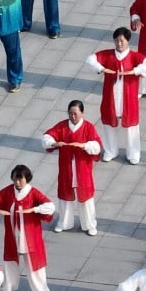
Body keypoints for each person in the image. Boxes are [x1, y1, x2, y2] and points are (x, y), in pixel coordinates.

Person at [85, 28, 146, 164]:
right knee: (108, 124)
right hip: (110, 97)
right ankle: (110, 150)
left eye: (122, 41)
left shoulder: (134, 57)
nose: (119, 44)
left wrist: (135, 71)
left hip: (128, 98)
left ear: (128, 41)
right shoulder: (108, 55)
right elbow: (90, 60)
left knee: (132, 127)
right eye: (117, 40)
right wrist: (102, 69)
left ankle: (134, 154)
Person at [0, 164, 55, 291]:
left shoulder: (33, 193)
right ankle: (7, 289)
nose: (17, 183)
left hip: (30, 237)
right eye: (15, 179)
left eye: (20, 179)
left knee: (34, 264)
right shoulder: (8, 191)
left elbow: (50, 206)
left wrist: (34, 209)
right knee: (10, 262)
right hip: (12, 235)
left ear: (27, 179)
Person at [42, 101, 102, 235]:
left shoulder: (88, 127)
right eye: (70, 113)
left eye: (75, 113)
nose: (73, 116)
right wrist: (54, 143)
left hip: (83, 169)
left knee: (86, 197)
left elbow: (97, 146)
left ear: (82, 113)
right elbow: (46, 137)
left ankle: (90, 225)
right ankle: (64, 222)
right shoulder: (62, 126)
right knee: (64, 195)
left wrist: (84, 146)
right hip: (66, 168)